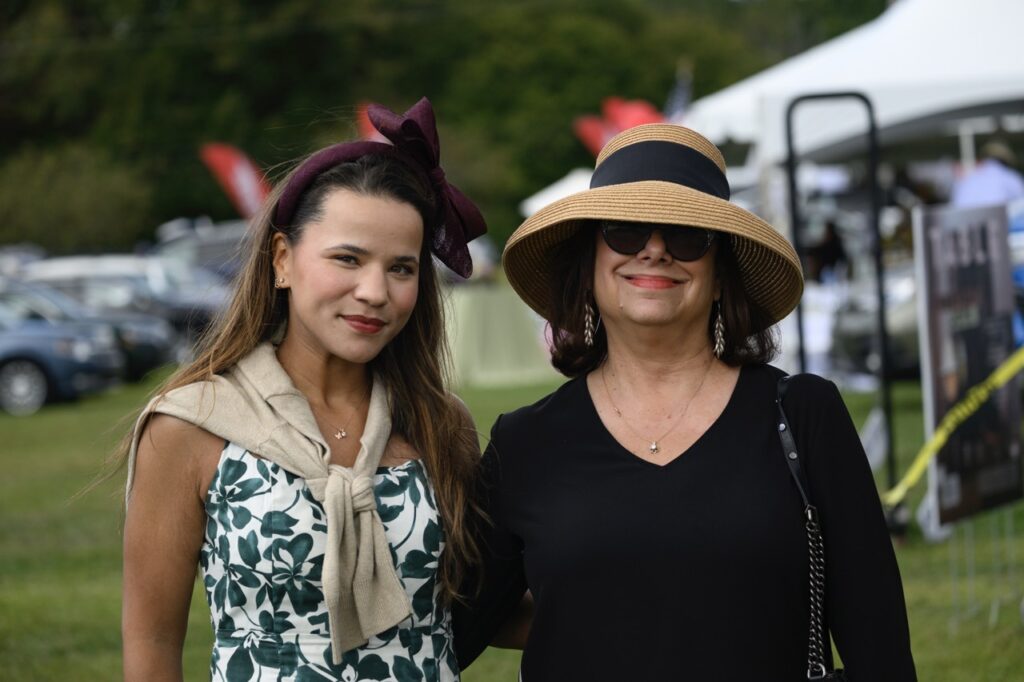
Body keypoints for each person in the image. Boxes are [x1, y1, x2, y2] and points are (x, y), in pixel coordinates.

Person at [454, 124, 917, 680]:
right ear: (589, 262)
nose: (654, 249)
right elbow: (450, 629)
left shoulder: (803, 416)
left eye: (687, 234)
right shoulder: (524, 443)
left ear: (722, 273)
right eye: (624, 230)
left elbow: (880, 646)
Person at [121, 98, 488, 681]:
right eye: (348, 258)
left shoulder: (441, 424)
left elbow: (481, 609)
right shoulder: (192, 425)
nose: (374, 291)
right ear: (283, 259)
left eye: (401, 267)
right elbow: (152, 642)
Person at [951, 140, 1024, 208]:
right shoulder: (1011, 177)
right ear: (1005, 161)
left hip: (964, 220)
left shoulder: (966, 178)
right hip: (996, 219)